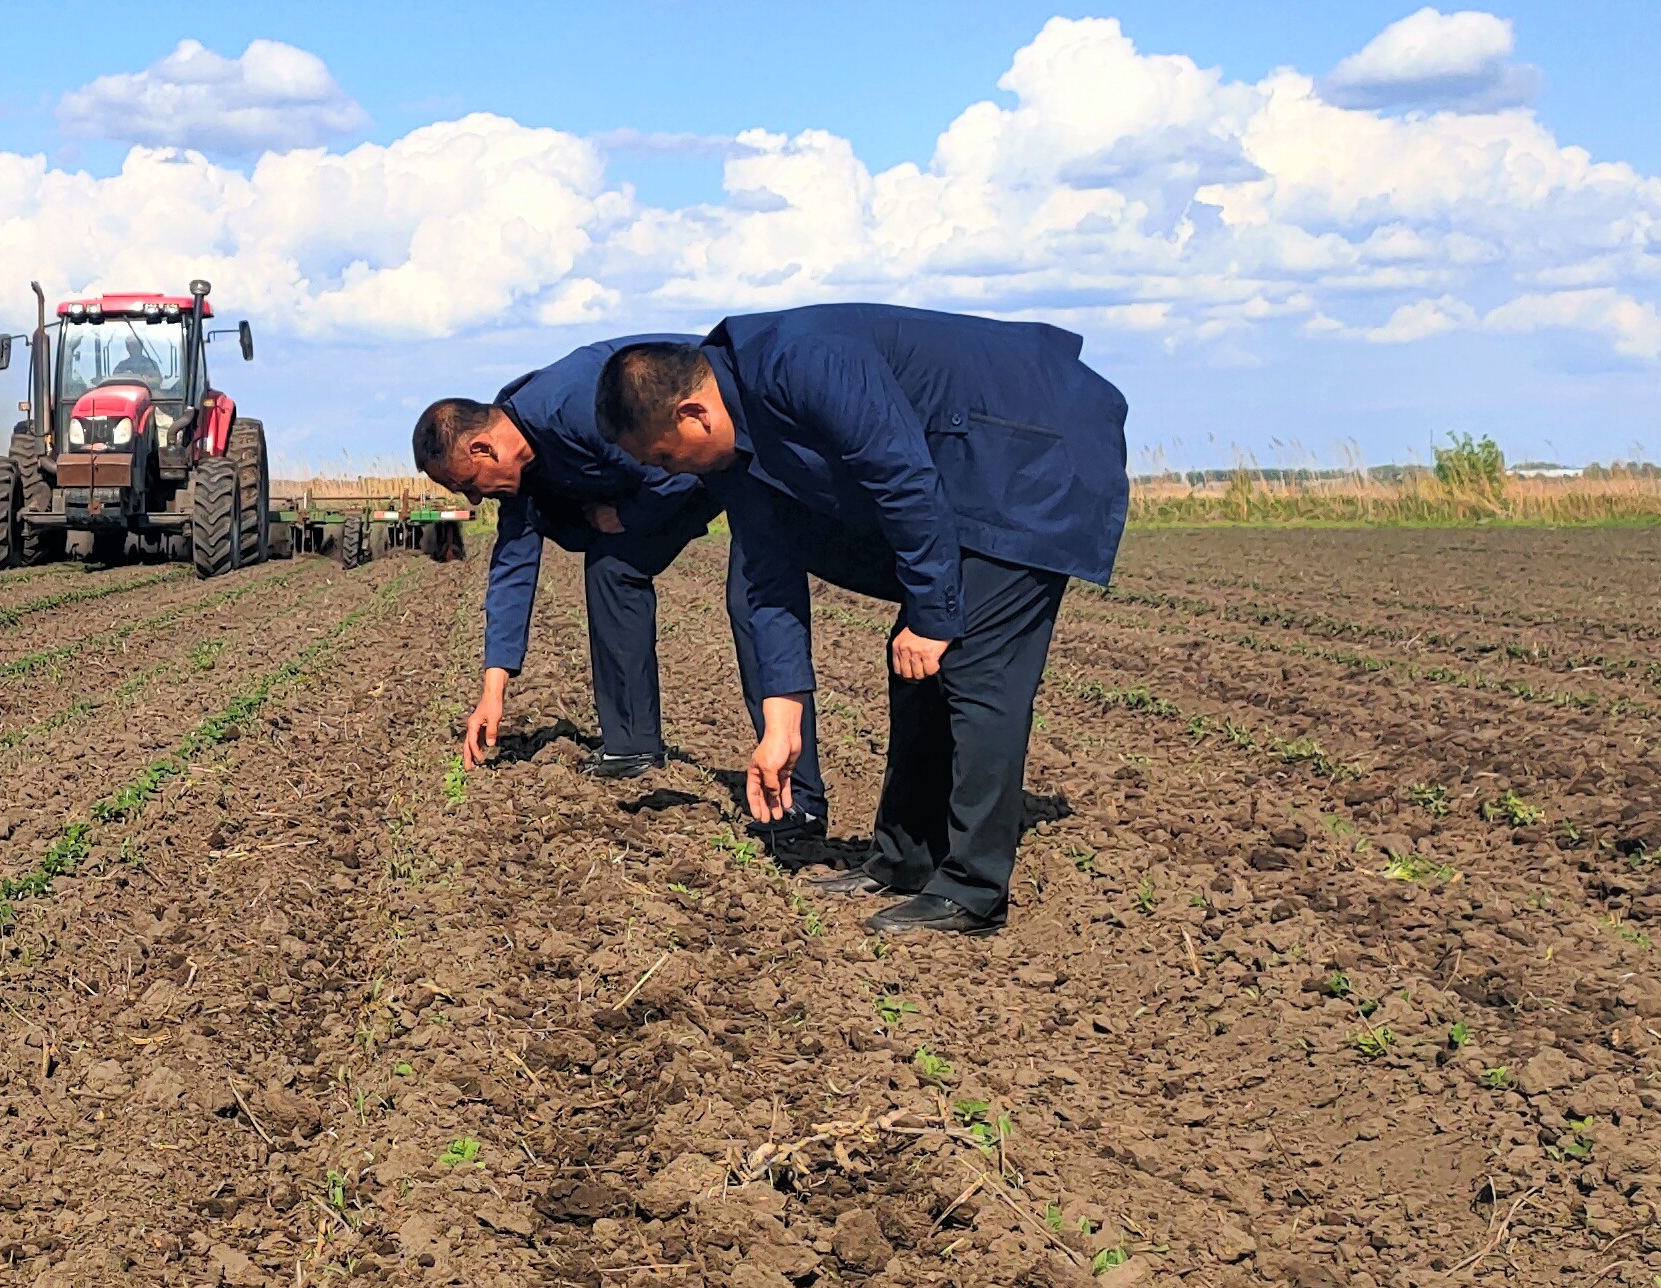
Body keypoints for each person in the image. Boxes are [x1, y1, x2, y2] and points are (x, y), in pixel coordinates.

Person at [596, 306, 1128, 937]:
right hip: (960, 479)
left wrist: (933, 614)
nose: (665, 474)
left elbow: (900, 475)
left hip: (1031, 460)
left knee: (976, 666)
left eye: (662, 457)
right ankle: (905, 859)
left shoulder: (801, 360)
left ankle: (974, 889)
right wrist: (782, 721)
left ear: (693, 415)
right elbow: (768, 576)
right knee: (915, 662)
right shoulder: (733, 449)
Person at [412, 339, 827, 828]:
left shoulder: (576, 407)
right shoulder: (520, 471)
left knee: (753, 600)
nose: (473, 499)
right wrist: (493, 689)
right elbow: (512, 568)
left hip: (727, 451)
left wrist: (626, 515)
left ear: (482, 448)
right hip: (668, 479)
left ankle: (798, 798)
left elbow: (672, 456)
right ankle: (633, 746)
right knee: (612, 567)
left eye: (466, 484)